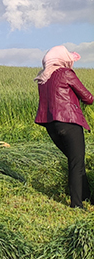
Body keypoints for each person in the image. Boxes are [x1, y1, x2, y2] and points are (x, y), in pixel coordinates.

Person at [34, 45, 93, 209]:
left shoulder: (43, 78)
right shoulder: (66, 73)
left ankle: (87, 197)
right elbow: (88, 97)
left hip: (51, 126)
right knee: (76, 163)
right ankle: (77, 205)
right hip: (69, 122)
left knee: (75, 161)